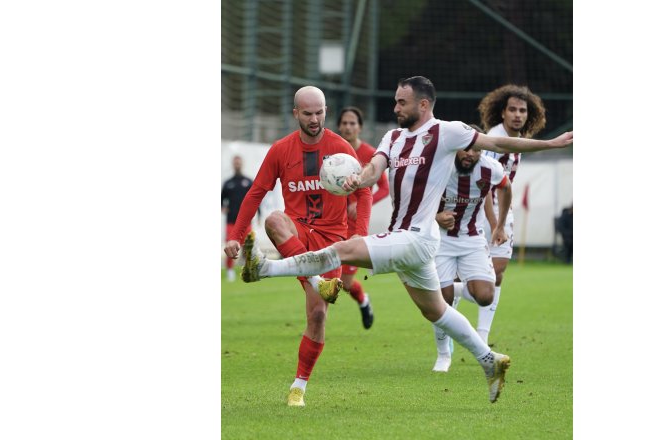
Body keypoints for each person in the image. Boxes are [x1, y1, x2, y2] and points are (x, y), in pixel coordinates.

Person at [238, 76, 572, 404]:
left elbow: (498, 144)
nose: (395, 106)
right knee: (436, 312)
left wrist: (551, 144)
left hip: (416, 238)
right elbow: (373, 171)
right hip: (408, 242)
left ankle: (264, 268)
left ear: (423, 104)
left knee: (342, 250)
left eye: (402, 102)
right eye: (396, 100)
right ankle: (491, 360)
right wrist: (356, 180)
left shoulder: (447, 132)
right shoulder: (393, 137)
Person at [223, 86, 373, 408]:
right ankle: (318, 281)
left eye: (320, 112)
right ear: (296, 114)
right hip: (297, 233)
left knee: (317, 315)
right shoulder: (281, 150)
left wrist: (358, 236)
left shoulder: (340, 147)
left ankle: (298, 387)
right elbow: (255, 193)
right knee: (274, 220)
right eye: (308, 113)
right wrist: (235, 235)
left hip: (332, 239)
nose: (315, 119)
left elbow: (364, 192)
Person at [449, 84, 548, 347]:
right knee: (476, 276)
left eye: (522, 110)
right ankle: (446, 305)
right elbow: (484, 187)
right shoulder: (494, 139)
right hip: (481, 212)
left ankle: (482, 333)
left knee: (498, 273)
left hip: (503, 212)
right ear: (502, 112)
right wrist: (496, 225)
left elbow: (503, 186)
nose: (518, 114)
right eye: (512, 109)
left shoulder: (516, 138)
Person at [429, 125, 513, 373]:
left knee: (486, 295)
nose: (470, 153)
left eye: (476, 149)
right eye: (465, 148)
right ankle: (444, 355)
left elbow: (506, 187)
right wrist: (435, 217)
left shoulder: (490, 168)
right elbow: (415, 197)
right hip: (441, 240)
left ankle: (452, 289)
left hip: (472, 240)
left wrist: (498, 225)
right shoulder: (438, 165)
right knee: (440, 303)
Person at [336, 107, 390, 329]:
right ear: (339, 126)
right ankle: (316, 320)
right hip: (331, 221)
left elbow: (384, 188)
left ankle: (363, 301)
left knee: (346, 283)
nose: (348, 127)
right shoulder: (334, 152)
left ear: (360, 127)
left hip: (354, 226)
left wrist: (360, 203)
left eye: (352, 123)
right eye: (344, 123)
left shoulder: (369, 153)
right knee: (323, 272)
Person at [221, 155, 254, 282]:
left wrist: (258, 213)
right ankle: (229, 271)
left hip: (246, 222)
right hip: (231, 221)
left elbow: (255, 199)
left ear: (242, 164)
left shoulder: (248, 181)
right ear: (233, 165)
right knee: (230, 247)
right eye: (235, 163)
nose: (237, 165)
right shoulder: (228, 183)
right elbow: (221, 198)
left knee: (249, 247)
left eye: (239, 163)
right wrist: (222, 207)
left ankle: (248, 270)